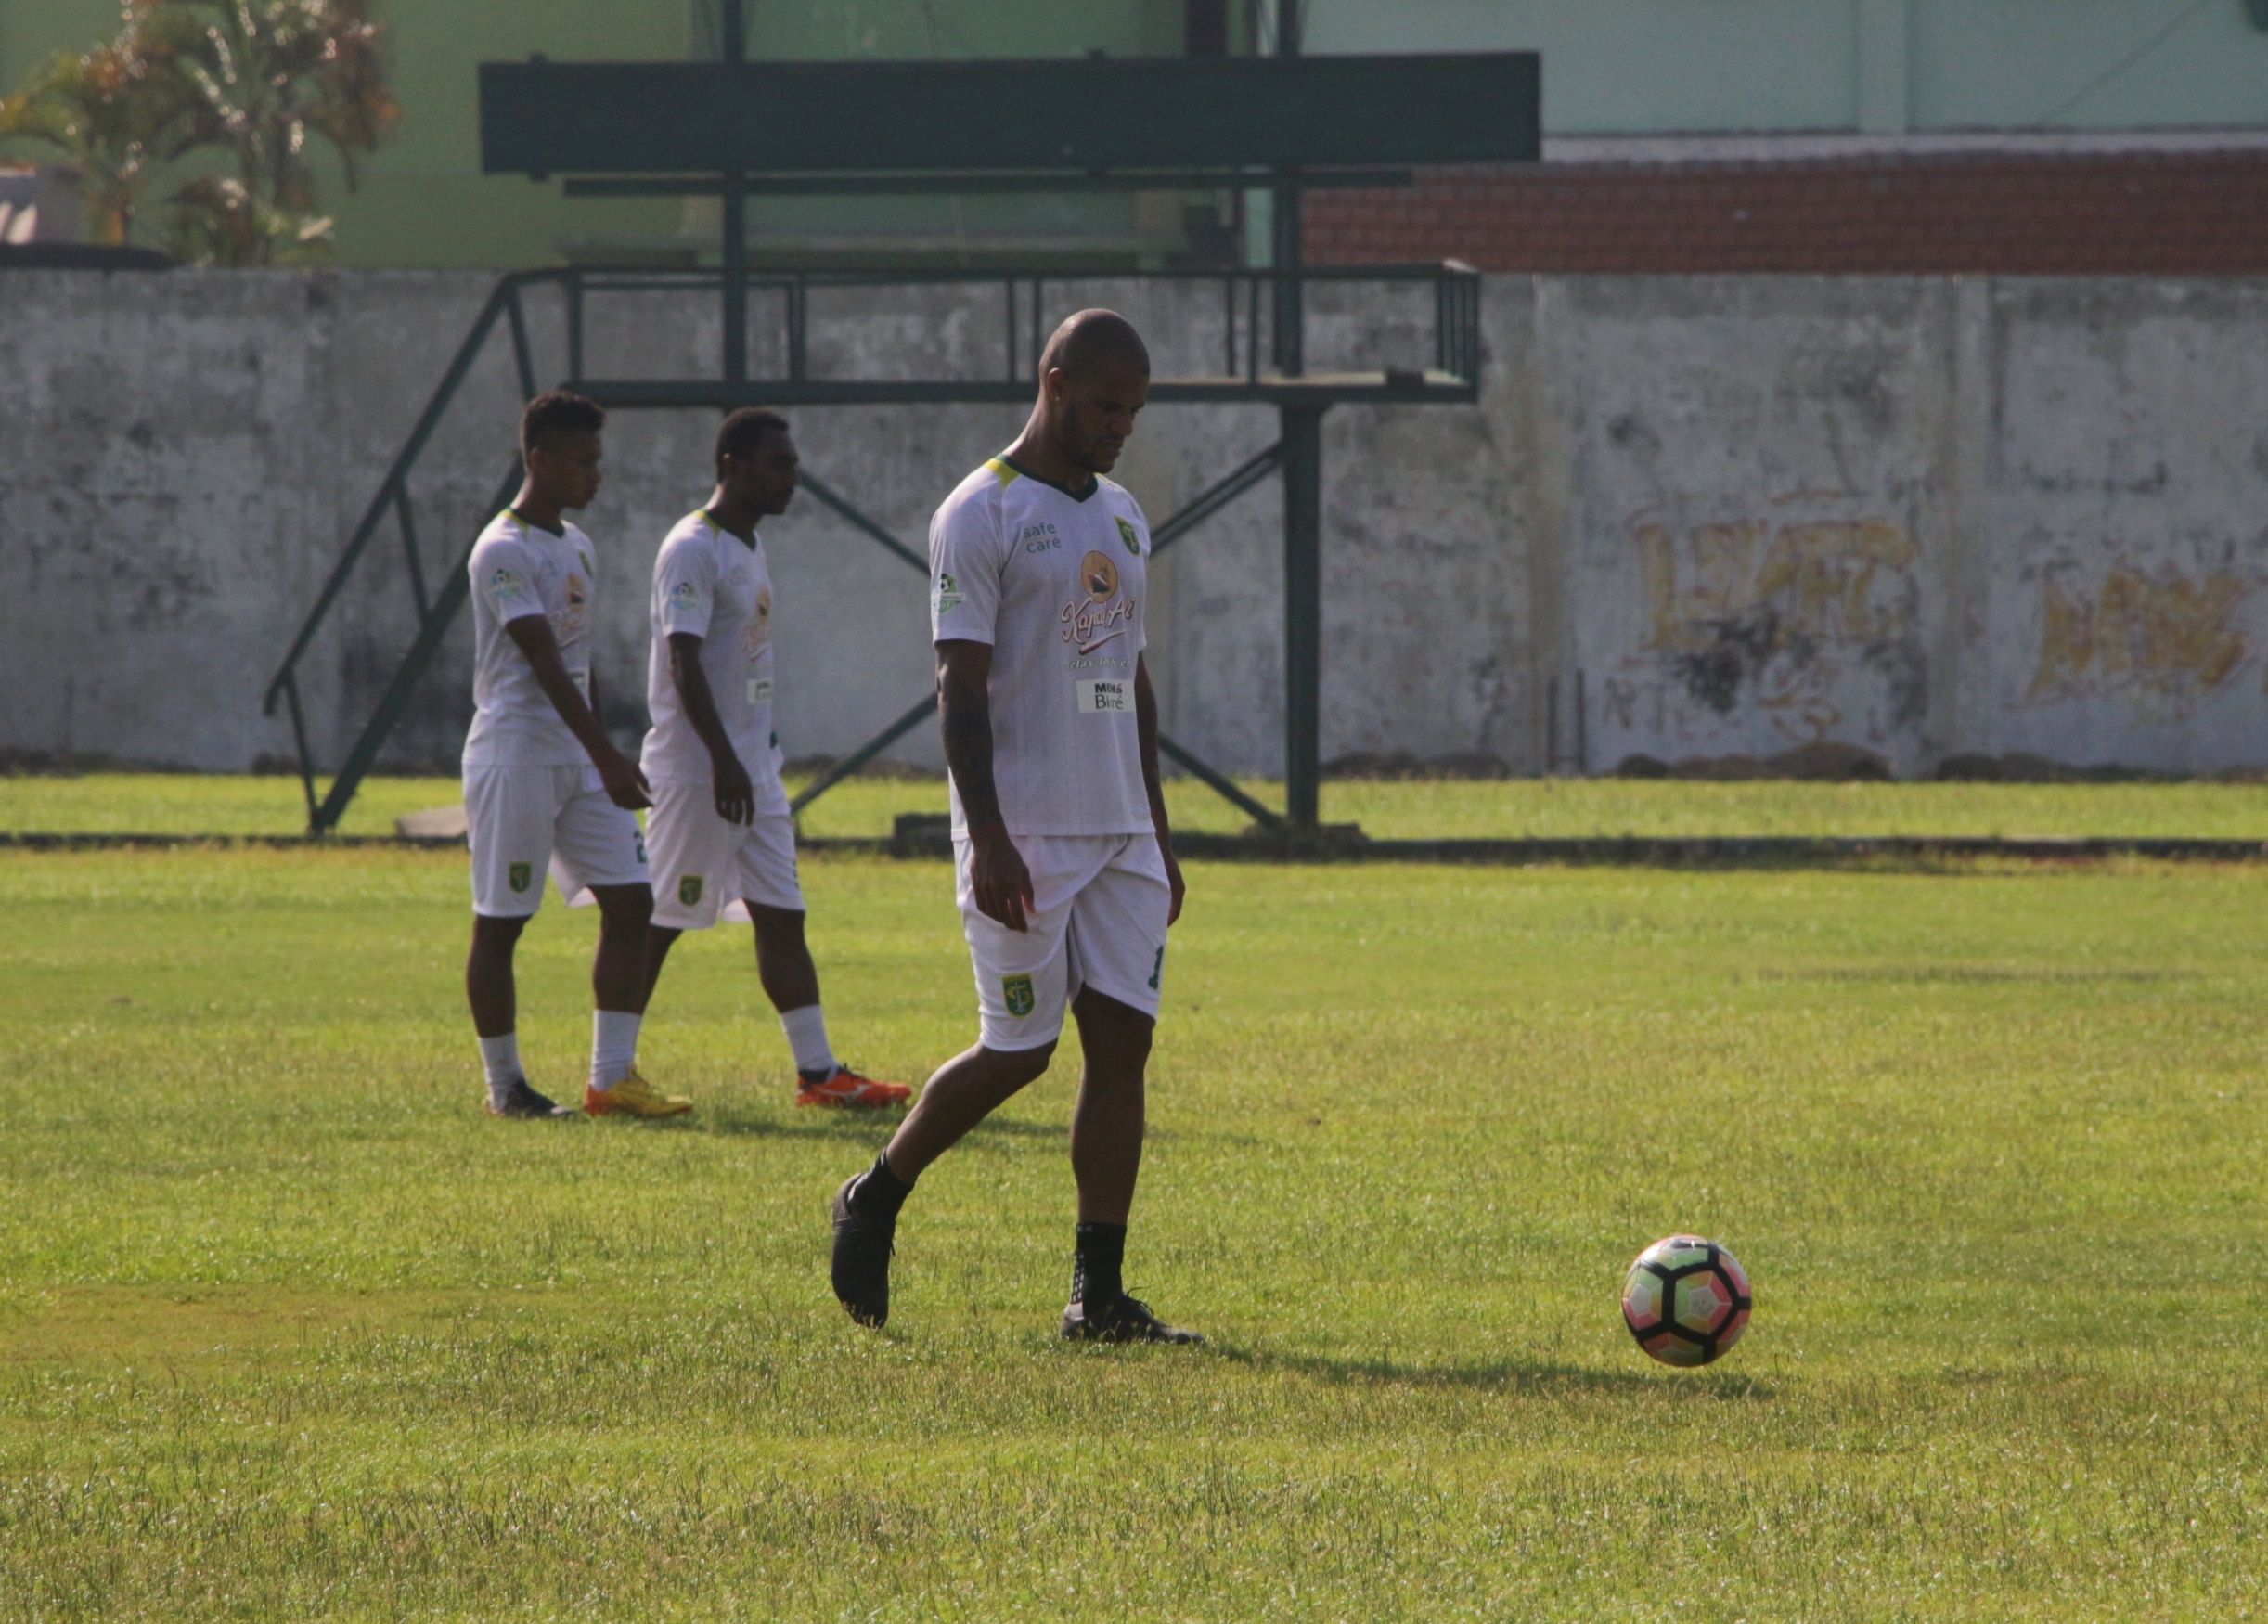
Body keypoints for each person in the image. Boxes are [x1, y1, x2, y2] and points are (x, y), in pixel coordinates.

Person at [830, 310, 1199, 1344]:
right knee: (1020, 1050)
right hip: (1025, 832)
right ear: (1053, 384)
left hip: (1120, 830)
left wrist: (1158, 830)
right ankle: (875, 1196)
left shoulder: (1123, 513)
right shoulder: (979, 512)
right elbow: (958, 683)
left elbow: (1131, 672)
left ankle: (1098, 1293)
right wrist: (985, 832)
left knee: (1122, 1046)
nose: (1119, 426)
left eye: (1132, 410)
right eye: (1103, 406)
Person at [639, 408, 912, 1110]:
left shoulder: (748, 546)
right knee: (664, 918)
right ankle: (609, 1072)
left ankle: (818, 1074)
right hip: (700, 769)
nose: (792, 478)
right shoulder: (692, 547)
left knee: (782, 915)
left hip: (752, 767)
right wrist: (723, 761)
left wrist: (750, 760)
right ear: (733, 465)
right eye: (778, 465)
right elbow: (682, 659)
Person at [461, 390, 687, 1121]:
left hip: (579, 757)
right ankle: (506, 1088)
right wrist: (612, 756)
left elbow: (579, 668)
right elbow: (543, 663)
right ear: (539, 459)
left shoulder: (575, 545)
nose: (598, 476)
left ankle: (610, 1081)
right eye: (584, 462)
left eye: (599, 460)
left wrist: (600, 759)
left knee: (631, 902)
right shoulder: (501, 549)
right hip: (516, 757)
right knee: (502, 923)